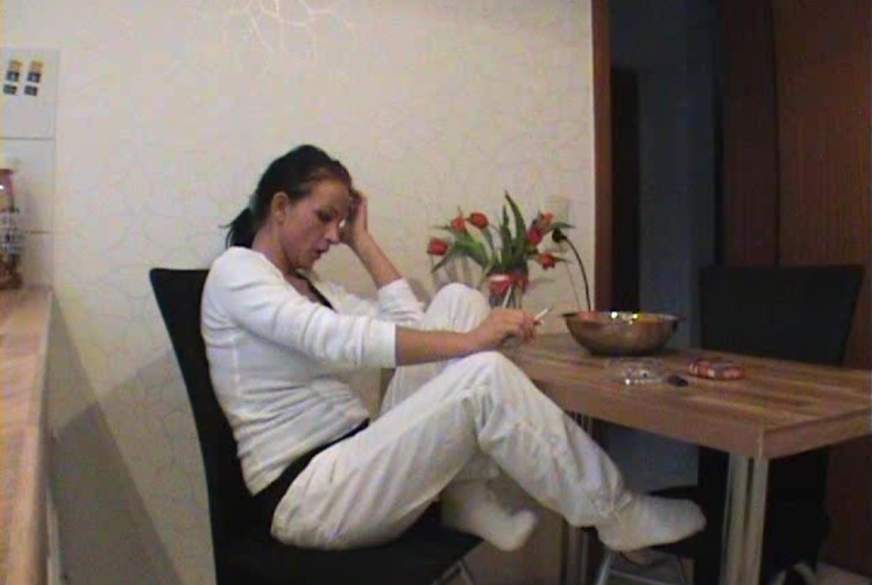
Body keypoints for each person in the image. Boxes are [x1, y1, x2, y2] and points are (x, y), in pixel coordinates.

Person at [201, 144, 705, 552]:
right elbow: (340, 339)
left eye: (341, 222)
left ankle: (464, 496)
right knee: (482, 374)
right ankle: (615, 512)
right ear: (281, 207)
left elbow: (412, 326)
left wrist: (363, 242)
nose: (333, 234)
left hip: (354, 457)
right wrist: (473, 341)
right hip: (308, 497)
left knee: (458, 300)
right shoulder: (237, 272)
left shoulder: (314, 286)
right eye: (325, 217)